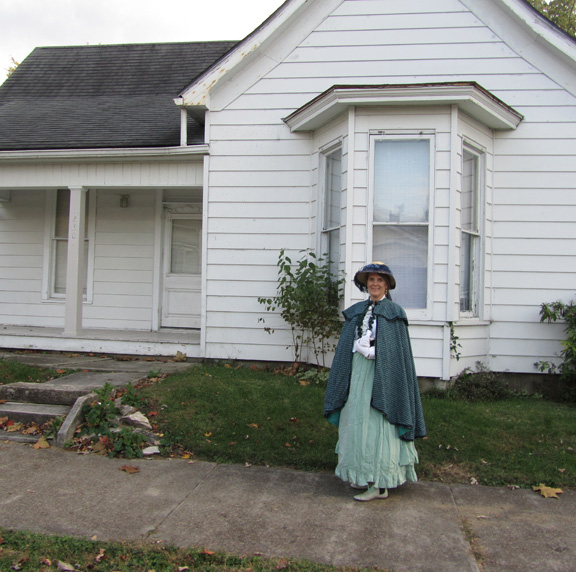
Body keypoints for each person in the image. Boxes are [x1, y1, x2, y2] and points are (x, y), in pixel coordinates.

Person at [324, 261, 426, 501]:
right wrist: (357, 347)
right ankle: (362, 474)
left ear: (387, 285)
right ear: (365, 283)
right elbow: (348, 345)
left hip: (383, 376)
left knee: (378, 425)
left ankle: (380, 483)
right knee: (357, 421)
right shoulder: (357, 311)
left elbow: (395, 352)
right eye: (371, 279)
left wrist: (373, 352)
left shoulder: (394, 313)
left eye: (380, 280)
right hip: (358, 374)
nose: (375, 284)